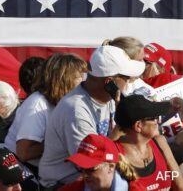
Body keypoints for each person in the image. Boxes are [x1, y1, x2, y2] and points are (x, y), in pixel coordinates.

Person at [39, 46, 145, 188]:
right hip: (64, 184)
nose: (129, 83)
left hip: (93, 179)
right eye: (126, 78)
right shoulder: (76, 110)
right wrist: (122, 125)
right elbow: (92, 161)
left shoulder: (109, 98)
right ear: (109, 82)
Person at [5, 53, 87, 172]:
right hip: (21, 172)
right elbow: (24, 153)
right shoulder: (37, 104)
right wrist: (59, 141)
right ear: (64, 77)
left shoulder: (63, 102)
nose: (84, 80)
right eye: (80, 75)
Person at [114, 94, 183, 191]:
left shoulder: (160, 142)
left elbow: (180, 186)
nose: (158, 121)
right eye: (154, 117)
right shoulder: (114, 154)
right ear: (138, 126)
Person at [61, 134, 143, 191]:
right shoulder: (75, 188)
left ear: (111, 167)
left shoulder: (135, 189)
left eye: (90, 169)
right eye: (80, 169)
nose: (84, 175)